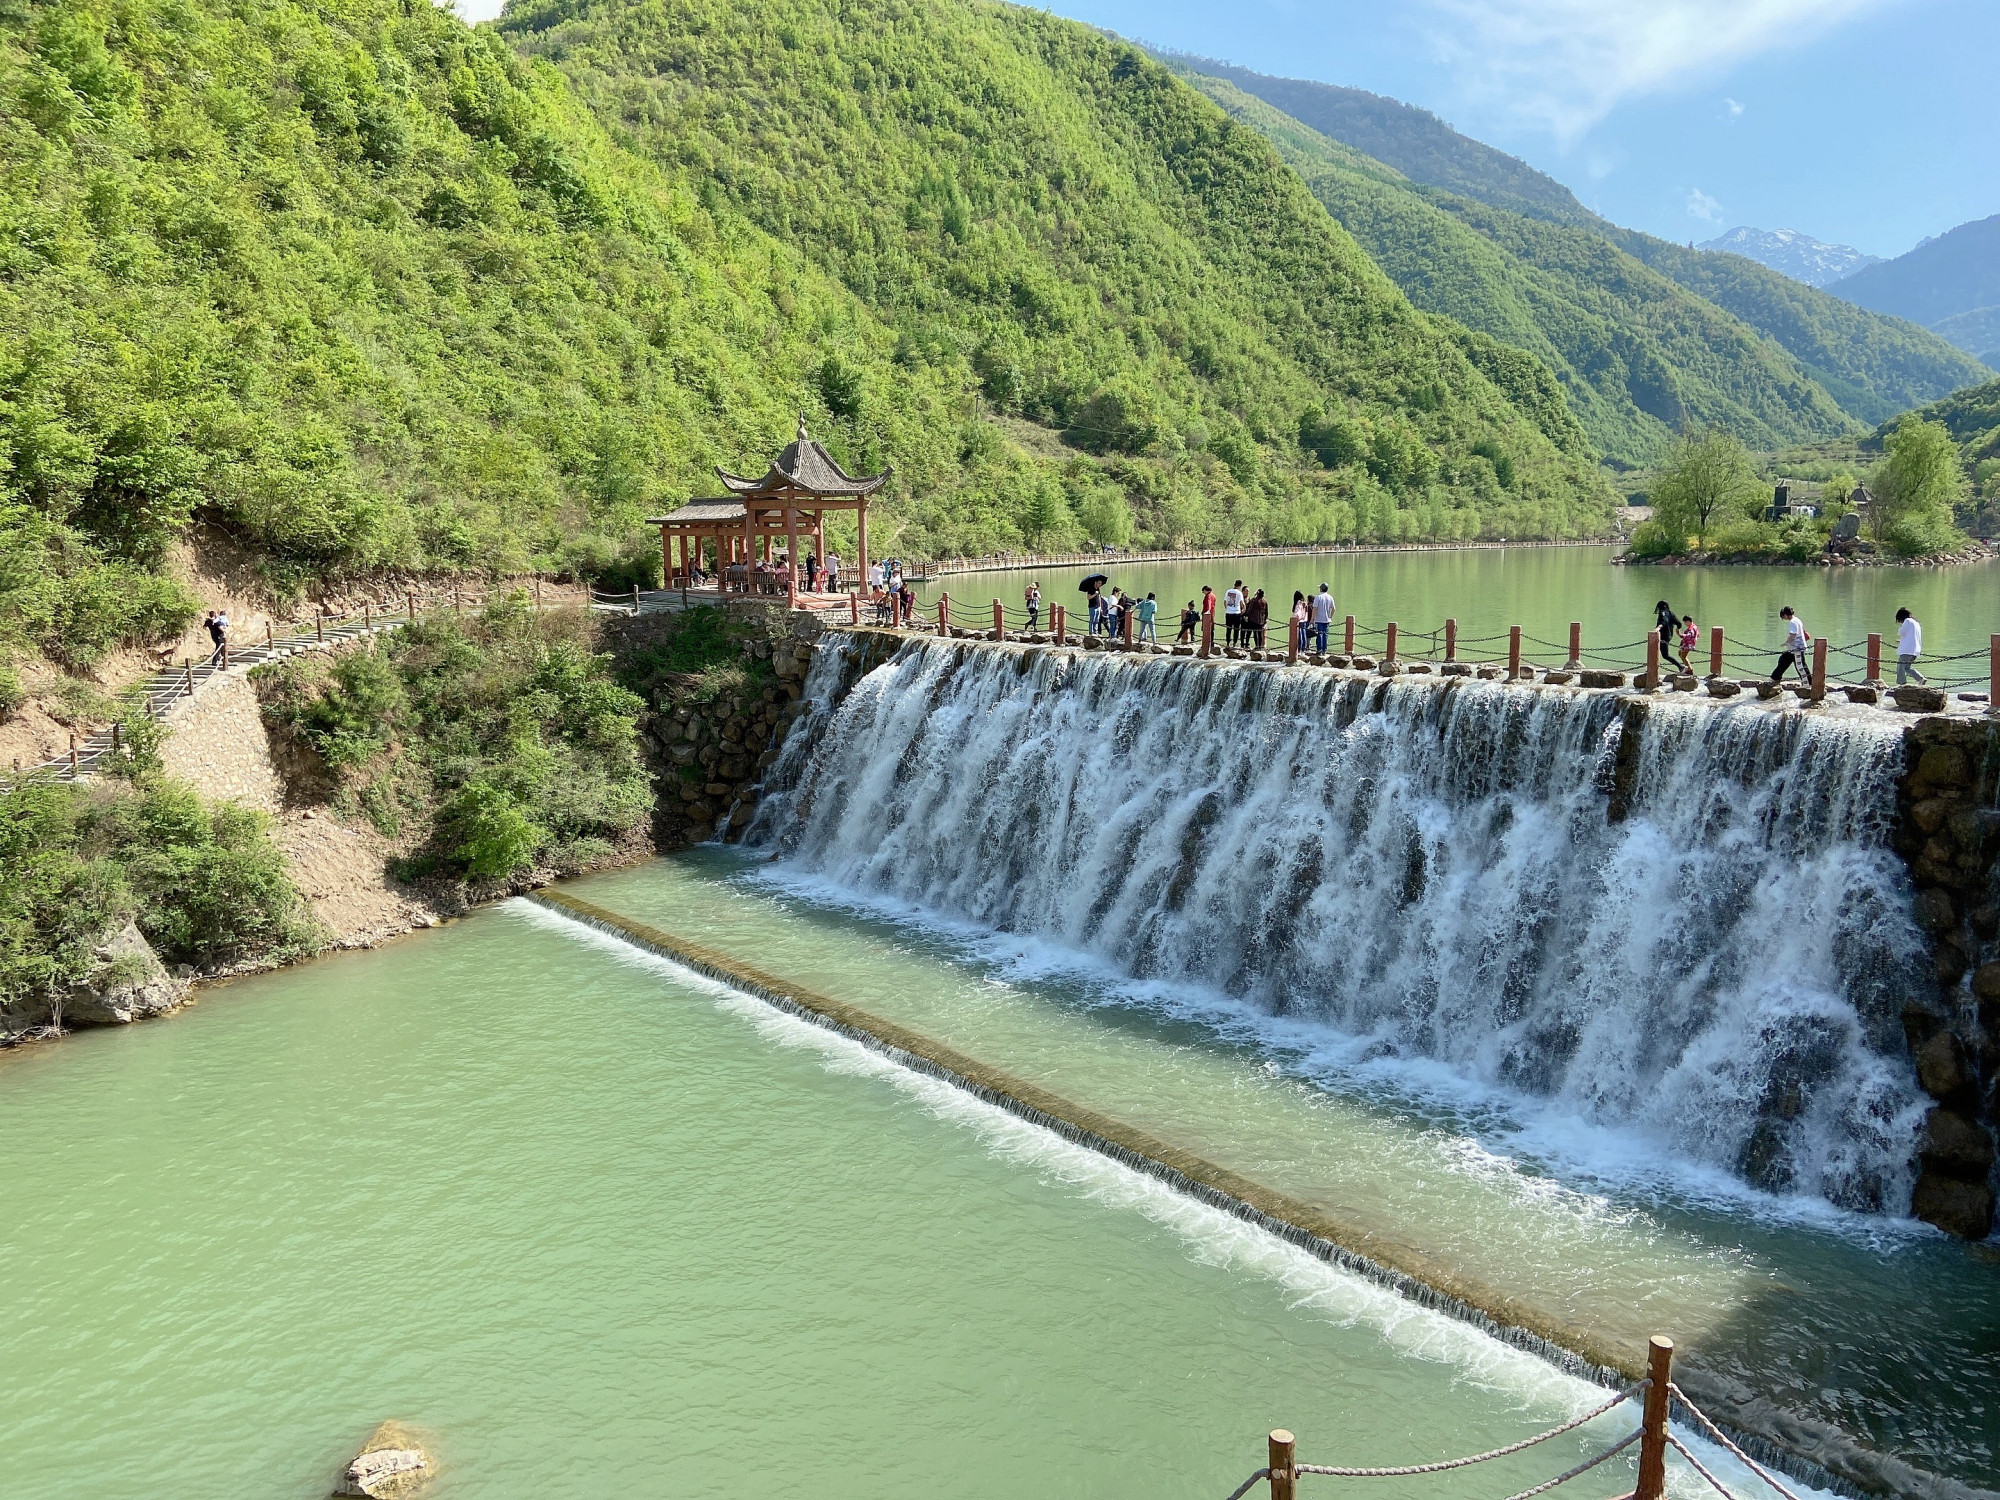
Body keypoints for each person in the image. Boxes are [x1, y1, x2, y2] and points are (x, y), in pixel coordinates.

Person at [1771, 606, 1810, 683]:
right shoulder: (1797, 619)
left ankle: (1808, 683)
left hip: (1797, 649)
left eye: (1783, 616)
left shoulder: (1793, 622)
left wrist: (1786, 643)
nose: (1784, 618)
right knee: (1783, 660)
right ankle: (1775, 678)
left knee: (1800, 666)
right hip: (1792, 649)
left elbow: (1793, 635)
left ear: (1785, 615)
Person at [1895, 607, 1927, 685]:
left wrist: (1902, 639)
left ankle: (1902, 684)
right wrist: (1902, 641)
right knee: (1907, 668)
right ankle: (1920, 678)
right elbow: (1912, 636)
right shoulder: (1916, 623)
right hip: (1915, 650)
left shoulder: (1907, 621)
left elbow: (1901, 632)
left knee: (1900, 667)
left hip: (1907, 650)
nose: (1900, 622)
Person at [1310, 584, 1335, 654]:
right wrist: (1330, 617)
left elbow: (1315, 609)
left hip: (1319, 619)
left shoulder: (1318, 597)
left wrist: (1312, 619)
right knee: (1325, 635)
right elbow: (1333, 608)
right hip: (1327, 620)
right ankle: (1324, 650)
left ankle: (1319, 650)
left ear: (1321, 589)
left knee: (1319, 634)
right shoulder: (1330, 597)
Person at [1654, 600, 1677, 665]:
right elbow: (1678, 623)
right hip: (1669, 636)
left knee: (1665, 655)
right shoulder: (1671, 613)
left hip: (1663, 637)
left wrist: (1658, 628)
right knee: (1656, 651)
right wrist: (1677, 630)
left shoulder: (1662, 612)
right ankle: (1654, 665)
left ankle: (1681, 667)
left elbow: (1664, 621)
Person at [1223, 579, 1245, 648]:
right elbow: (1242, 603)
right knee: (1236, 629)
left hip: (1228, 613)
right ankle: (1234, 643)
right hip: (1236, 613)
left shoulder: (1228, 591)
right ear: (1240, 586)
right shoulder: (1239, 593)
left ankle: (1227, 643)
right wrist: (1243, 609)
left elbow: (1225, 602)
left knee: (1228, 629)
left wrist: (1227, 608)